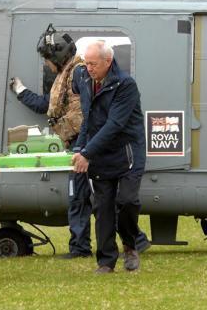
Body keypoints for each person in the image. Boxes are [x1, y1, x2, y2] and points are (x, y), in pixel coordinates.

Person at [9, 24, 92, 259]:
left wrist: (83, 147)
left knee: (78, 196)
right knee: (78, 196)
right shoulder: (66, 75)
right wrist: (21, 90)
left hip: (81, 145)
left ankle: (80, 248)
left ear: (57, 56)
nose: (46, 64)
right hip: (78, 144)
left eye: (47, 59)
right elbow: (47, 105)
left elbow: (88, 112)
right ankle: (82, 245)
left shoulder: (77, 73)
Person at [72, 40, 146, 273]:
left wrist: (87, 152)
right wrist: (79, 149)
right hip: (99, 153)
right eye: (86, 63)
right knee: (102, 208)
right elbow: (89, 119)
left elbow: (114, 124)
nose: (89, 68)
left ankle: (130, 244)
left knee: (126, 202)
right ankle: (105, 261)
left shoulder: (126, 85)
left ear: (108, 61)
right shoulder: (85, 80)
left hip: (127, 153)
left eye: (93, 64)